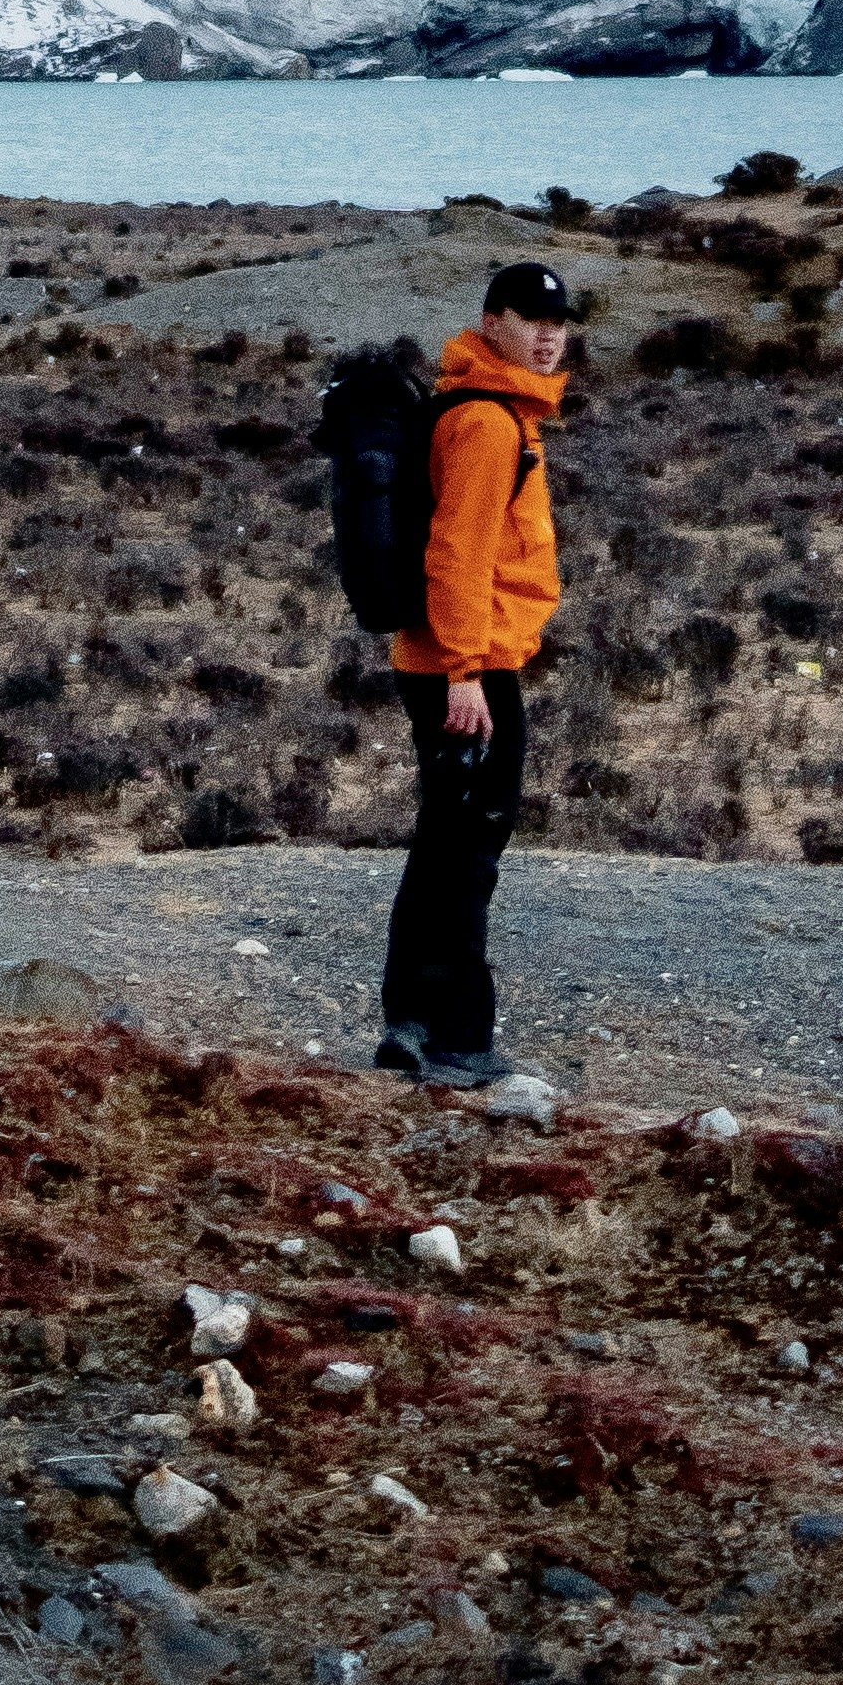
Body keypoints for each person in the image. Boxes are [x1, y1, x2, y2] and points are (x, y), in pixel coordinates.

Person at [377, 254, 574, 1086]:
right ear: (492, 323)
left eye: (557, 322)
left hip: (464, 657)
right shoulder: (488, 423)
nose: (547, 336)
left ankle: (416, 1026)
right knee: (467, 844)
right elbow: (457, 554)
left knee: (448, 838)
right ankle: (455, 1034)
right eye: (530, 319)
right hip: (467, 663)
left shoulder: (491, 412)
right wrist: (464, 672)